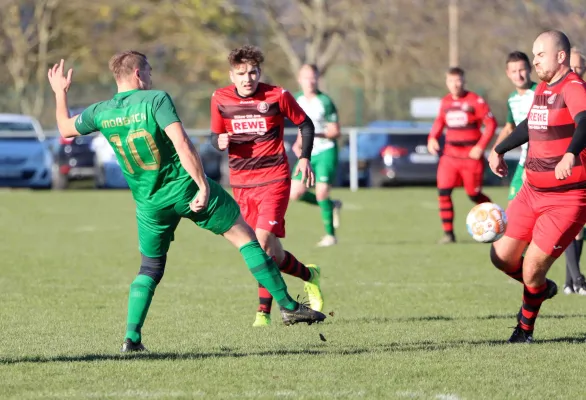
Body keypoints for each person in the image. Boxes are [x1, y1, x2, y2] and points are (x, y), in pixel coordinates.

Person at [47, 51, 326, 352]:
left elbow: (64, 129)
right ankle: (286, 305)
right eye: (150, 70)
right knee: (246, 239)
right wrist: (203, 185)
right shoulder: (155, 100)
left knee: (150, 268)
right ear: (139, 75)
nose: (151, 76)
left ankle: (132, 338)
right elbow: (182, 143)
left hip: (149, 203)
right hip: (185, 189)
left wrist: (60, 93)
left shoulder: (101, 111)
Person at [209, 45, 324, 327]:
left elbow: (305, 124)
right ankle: (310, 275)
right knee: (272, 251)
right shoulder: (220, 98)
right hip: (241, 184)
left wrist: (304, 158)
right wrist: (218, 142)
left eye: (253, 72)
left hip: (275, 179)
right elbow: (215, 136)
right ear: (231, 75)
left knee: (259, 244)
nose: (248, 78)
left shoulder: (277, 95)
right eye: (241, 73)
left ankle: (265, 312)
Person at [489, 30, 586, 343]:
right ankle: (541, 289)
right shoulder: (544, 88)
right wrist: (500, 148)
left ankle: (525, 329)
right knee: (500, 256)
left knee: (531, 267)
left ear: (560, 57)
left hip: (567, 199)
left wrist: (571, 153)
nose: (534, 61)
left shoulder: (573, 87)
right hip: (531, 192)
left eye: (540, 54)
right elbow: (530, 125)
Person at [427, 67, 498, 244]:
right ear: (447, 82)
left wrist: (481, 147)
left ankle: (496, 223)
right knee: (443, 192)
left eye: (458, 80)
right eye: (451, 81)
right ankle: (448, 234)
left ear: (464, 81)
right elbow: (439, 122)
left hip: (470, 158)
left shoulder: (476, 101)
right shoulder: (445, 102)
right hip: (450, 157)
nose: (455, 84)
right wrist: (432, 138)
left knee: (473, 195)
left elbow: (490, 124)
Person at [290, 64, 342, 247]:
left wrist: (312, 134)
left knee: (321, 192)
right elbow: (300, 125)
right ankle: (331, 204)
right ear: (299, 79)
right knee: (295, 193)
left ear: (317, 78)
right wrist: (299, 142)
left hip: (326, 150)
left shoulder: (325, 101)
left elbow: (335, 131)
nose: (310, 81)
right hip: (307, 153)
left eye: (313, 77)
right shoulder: (296, 99)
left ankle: (330, 236)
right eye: (306, 77)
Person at [491, 51, 537, 204]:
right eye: (514, 71)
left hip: (540, 160)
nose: (518, 75)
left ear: (530, 68)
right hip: (523, 159)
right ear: (508, 74)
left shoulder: (540, 92)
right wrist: (495, 151)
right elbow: (509, 128)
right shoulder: (512, 99)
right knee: (512, 206)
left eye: (522, 70)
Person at [563, 47, 586, 295]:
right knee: (574, 224)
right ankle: (577, 279)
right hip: (570, 162)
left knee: (579, 227)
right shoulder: (563, 92)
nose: (577, 70)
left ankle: (571, 282)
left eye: (580, 67)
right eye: (574, 66)